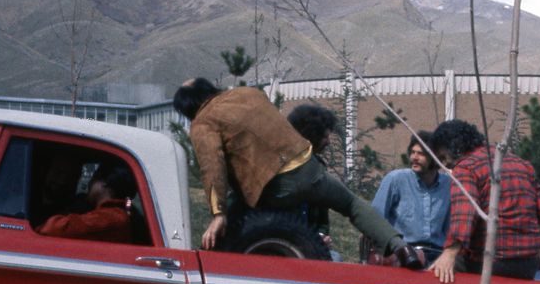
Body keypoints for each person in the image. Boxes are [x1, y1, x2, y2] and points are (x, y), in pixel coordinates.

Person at [172, 78, 412, 263]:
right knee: (351, 204)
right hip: (309, 168)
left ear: (186, 109)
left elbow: (212, 167)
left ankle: (209, 263)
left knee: (232, 225)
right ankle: (399, 246)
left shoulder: (202, 123)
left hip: (272, 187)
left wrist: (218, 214)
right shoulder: (248, 93)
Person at [427, 119, 540, 284]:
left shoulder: (465, 168)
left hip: (489, 262)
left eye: (443, 157)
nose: (445, 164)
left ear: (454, 146)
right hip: (528, 264)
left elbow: (465, 213)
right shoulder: (523, 165)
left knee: (438, 271)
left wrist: (449, 254)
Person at [370, 132, 450, 269]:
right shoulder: (396, 180)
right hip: (403, 253)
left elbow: (450, 229)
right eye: (412, 152)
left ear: (435, 158)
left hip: (438, 255)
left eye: (421, 154)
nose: (414, 157)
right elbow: (374, 220)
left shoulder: (449, 185)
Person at [285, 103, 340, 257]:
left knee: (335, 258)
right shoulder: (280, 170)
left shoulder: (319, 171)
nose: (328, 142)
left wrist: (321, 236)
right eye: (324, 137)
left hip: (309, 247)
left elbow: (322, 221)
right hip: (281, 244)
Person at [37, 162, 139, 243]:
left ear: (103, 184)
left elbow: (53, 229)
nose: (90, 184)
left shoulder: (113, 217)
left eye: (93, 179)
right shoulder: (120, 213)